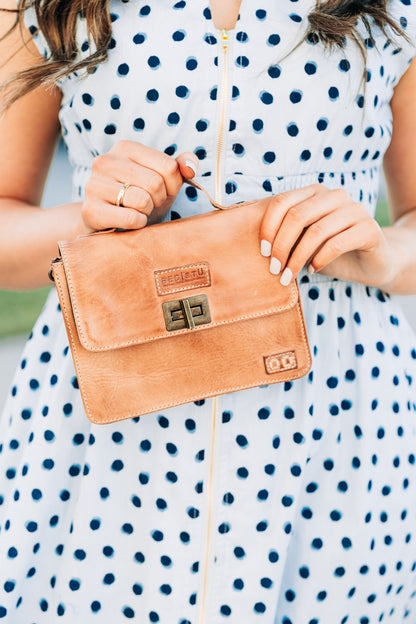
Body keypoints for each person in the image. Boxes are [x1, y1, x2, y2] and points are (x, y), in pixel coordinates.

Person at [0, 0, 416, 622]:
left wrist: (383, 255)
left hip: (337, 423)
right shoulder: (44, 6)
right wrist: (87, 220)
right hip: (106, 427)